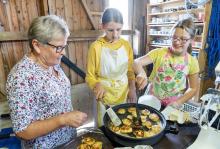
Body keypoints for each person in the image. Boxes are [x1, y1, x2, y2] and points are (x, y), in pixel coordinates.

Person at [6, 15, 88, 148]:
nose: (63, 52)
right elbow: (22, 131)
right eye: (59, 47)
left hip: (68, 140)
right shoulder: (20, 77)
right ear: (37, 45)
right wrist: (63, 119)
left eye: (64, 46)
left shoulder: (52, 62)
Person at [85, 8, 136, 126]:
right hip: (104, 96)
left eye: (119, 29)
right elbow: (90, 76)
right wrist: (96, 84)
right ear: (102, 27)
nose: (115, 35)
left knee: (124, 125)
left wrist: (132, 88)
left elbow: (130, 70)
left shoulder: (126, 45)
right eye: (110, 30)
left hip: (123, 92)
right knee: (105, 127)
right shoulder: (96, 47)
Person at [134, 17, 199, 107]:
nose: (177, 42)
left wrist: (179, 102)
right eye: (174, 38)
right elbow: (136, 62)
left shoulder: (192, 62)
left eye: (183, 39)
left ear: (191, 40)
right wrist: (141, 73)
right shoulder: (159, 53)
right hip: (152, 100)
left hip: (173, 104)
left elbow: (193, 88)